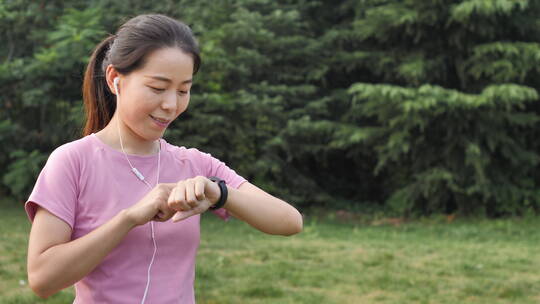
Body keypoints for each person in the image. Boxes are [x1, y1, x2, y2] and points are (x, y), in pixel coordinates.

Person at [24, 14, 303, 303]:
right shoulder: (73, 162)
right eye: (157, 88)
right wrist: (129, 218)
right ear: (114, 80)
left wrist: (217, 192)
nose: (171, 105)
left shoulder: (195, 165)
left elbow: (289, 221)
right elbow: (42, 280)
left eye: (183, 90)